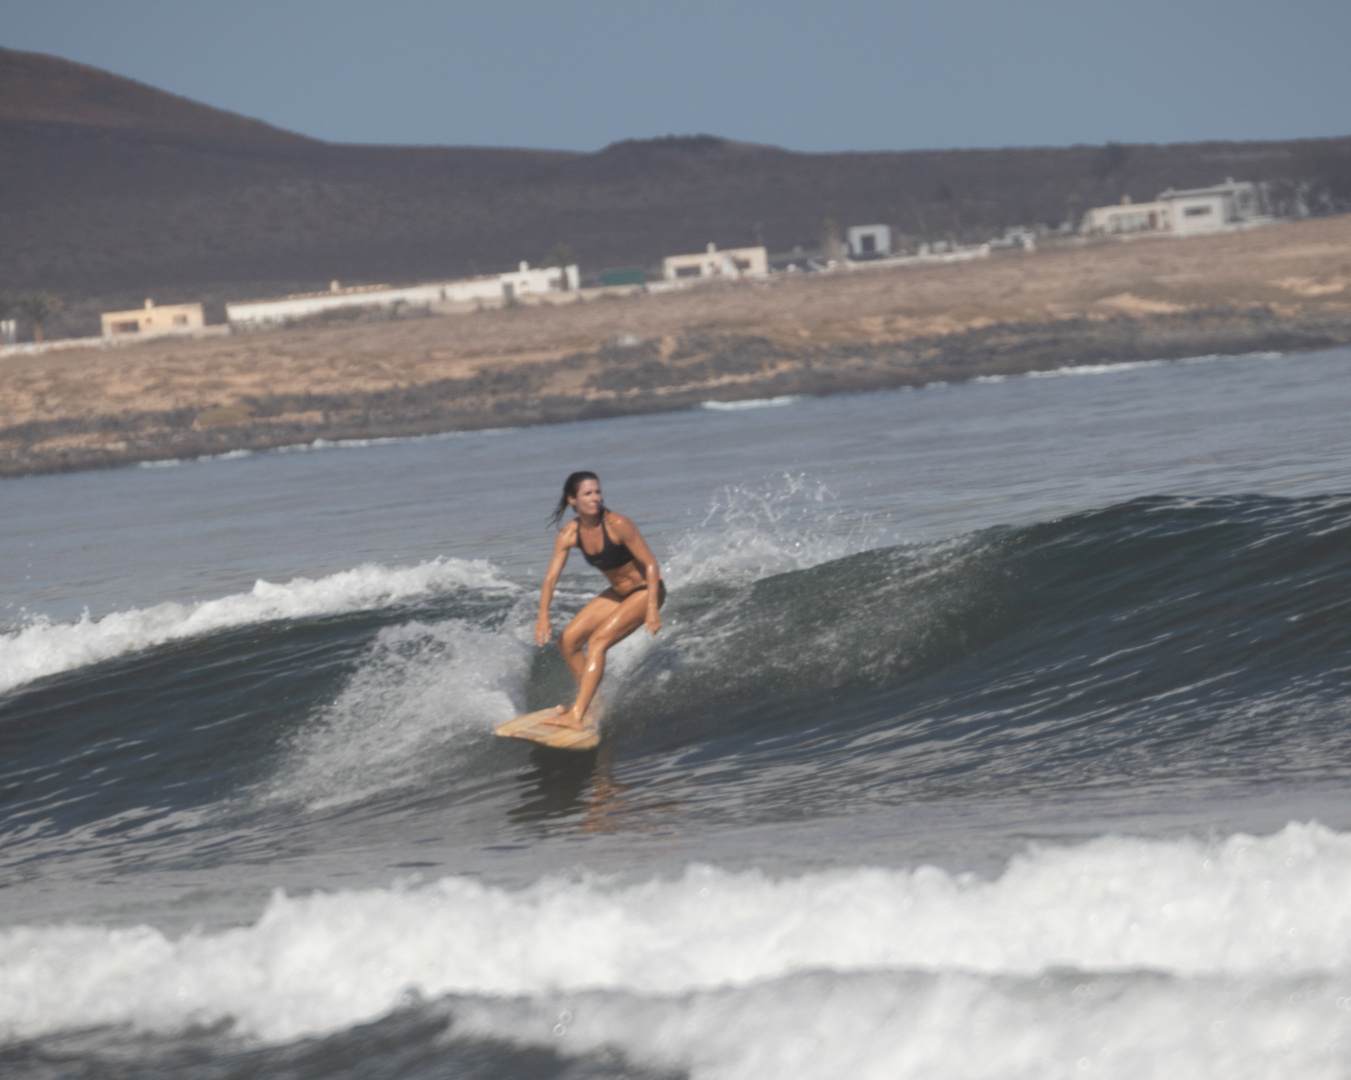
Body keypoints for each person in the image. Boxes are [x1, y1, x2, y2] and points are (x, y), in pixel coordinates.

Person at [535, 471, 664, 730]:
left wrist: (651, 608)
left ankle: (577, 714)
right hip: (618, 592)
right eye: (588, 493)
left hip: (646, 590)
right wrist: (543, 615)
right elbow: (550, 578)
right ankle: (593, 701)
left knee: (597, 642)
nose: (596, 498)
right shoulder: (570, 535)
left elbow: (650, 564)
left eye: (598, 492)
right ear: (573, 499)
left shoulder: (617, 524)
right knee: (568, 642)